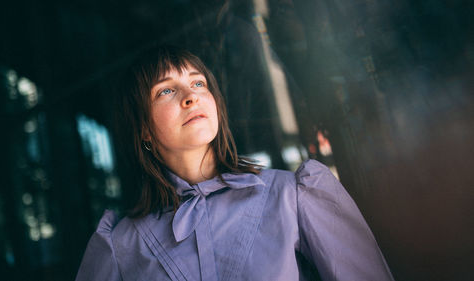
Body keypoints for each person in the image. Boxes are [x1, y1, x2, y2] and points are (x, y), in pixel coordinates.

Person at [75, 46, 394, 281]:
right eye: (167, 90)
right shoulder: (119, 246)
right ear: (143, 128)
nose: (191, 96)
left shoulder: (293, 194)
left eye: (198, 83)